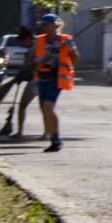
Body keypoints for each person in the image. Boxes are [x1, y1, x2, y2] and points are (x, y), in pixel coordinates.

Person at [32, 13, 79, 153]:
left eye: (46, 25)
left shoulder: (66, 40)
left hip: (56, 79)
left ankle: (56, 139)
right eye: (43, 25)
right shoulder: (39, 40)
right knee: (45, 111)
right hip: (42, 79)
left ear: (54, 25)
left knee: (48, 107)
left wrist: (71, 48)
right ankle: (53, 138)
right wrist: (37, 60)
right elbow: (31, 58)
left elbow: (75, 60)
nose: (44, 27)